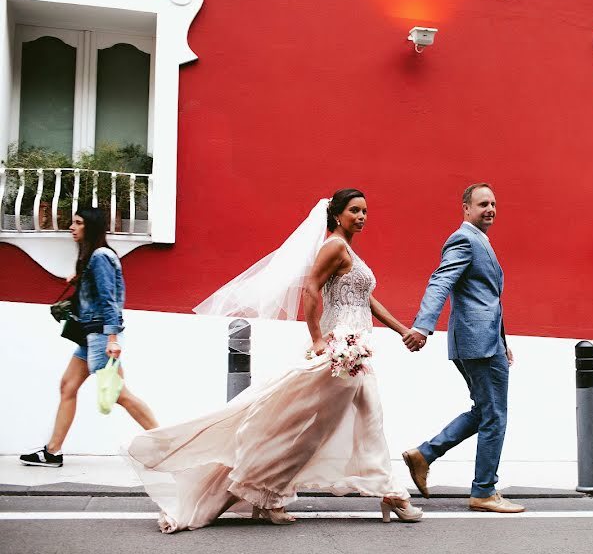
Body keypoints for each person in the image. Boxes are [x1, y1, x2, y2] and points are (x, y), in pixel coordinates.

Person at [128, 189, 423, 532]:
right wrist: (317, 340)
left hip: (356, 351)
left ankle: (275, 493)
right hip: (340, 351)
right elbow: (311, 289)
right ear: (337, 215)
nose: (361, 217)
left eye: (365, 211)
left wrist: (404, 330)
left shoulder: (348, 252)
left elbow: (366, 300)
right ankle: (387, 493)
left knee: (340, 424)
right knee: (317, 426)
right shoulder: (334, 247)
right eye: (354, 210)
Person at [401, 183, 523, 513]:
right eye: (483, 204)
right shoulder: (464, 239)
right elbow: (440, 280)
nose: (491, 209)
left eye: (494, 203)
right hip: (478, 344)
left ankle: (424, 454)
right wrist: (423, 326)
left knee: (483, 411)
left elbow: (487, 299)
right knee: (495, 415)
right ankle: (484, 491)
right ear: (466, 209)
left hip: (484, 340)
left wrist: (503, 340)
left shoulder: (480, 240)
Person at [20, 207, 158, 467]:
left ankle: (168, 445)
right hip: (89, 336)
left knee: (119, 395)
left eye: (78, 223)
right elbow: (99, 292)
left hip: (100, 337)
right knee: (68, 386)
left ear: (91, 227)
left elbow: (110, 301)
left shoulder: (101, 256)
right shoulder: (92, 258)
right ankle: (53, 451)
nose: (72, 227)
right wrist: (80, 280)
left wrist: (112, 339)